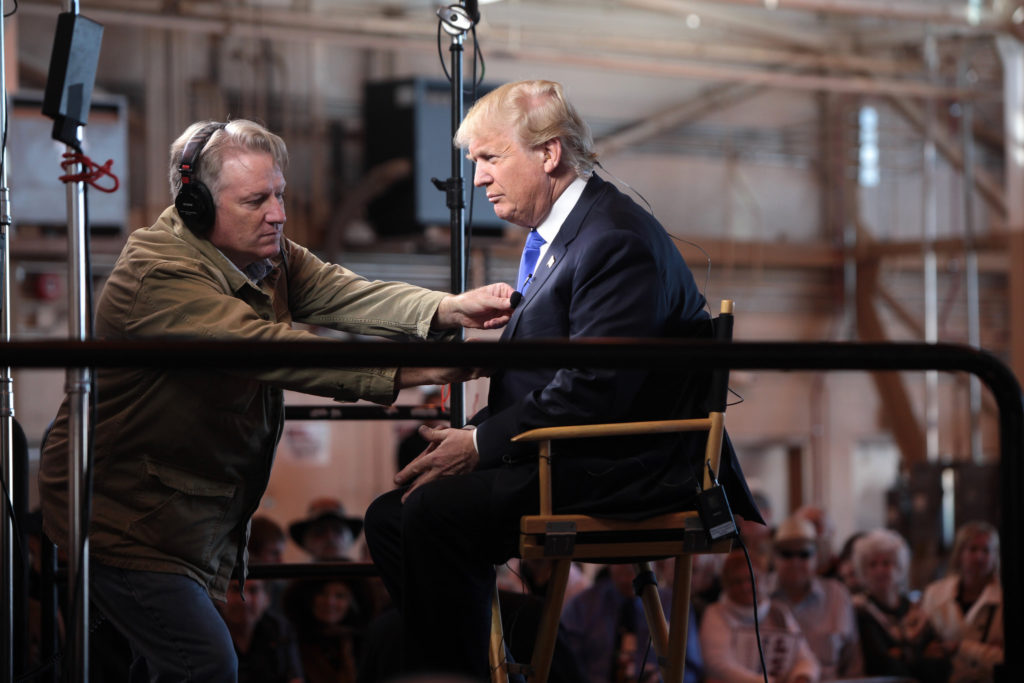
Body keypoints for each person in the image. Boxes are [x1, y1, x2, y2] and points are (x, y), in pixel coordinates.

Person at [37, 118, 515, 680]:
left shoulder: (266, 255)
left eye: (280, 194)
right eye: (256, 200)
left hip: (183, 522)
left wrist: (447, 308)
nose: (278, 213)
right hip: (125, 520)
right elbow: (277, 350)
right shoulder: (159, 276)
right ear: (196, 206)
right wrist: (427, 366)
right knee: (204, 665)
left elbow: (343, 291)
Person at [363, 79, 762, 679]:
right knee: (389, 517)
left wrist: (477, 445)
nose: (477, 179)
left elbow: (597, 387)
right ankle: (478, 655)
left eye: (490, 158)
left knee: (432, 515)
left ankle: (462, 666)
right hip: (570, 451)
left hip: (619, 465)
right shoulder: (568, 234)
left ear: (548, 154)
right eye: (475, 163)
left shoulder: (614, 239)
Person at [562, 562, 703, 683]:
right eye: (622, 557)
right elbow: (567, 665)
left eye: (641, 557)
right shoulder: (582, 605)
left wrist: (662, 678)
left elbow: (691, 667)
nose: (631, 565)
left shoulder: (675, 605)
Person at [700, 549, 819, 683]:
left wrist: (802, 676)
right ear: (726, 585)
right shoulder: (716, 612)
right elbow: (719, 664)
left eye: (752, 579)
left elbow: (805, 657)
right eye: (737, 582)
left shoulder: (778, 612)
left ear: (764, 579)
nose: (745, 586)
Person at [770, 515, 863, 681]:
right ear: (774, 557)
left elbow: (853, 661)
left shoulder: (837, 594)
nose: (795, 561)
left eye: (804, 554)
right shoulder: (757, 593)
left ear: (816, 557)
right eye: (787, 554)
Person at [850, 528, 947, 680]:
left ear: (899, 567)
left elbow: (940, 662)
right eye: (873, 564)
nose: (880, 570)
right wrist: (920, 655)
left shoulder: (916, 608)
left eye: (886, 563)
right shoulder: (860, 609)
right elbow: (880, 664)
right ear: (863, 571)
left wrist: (901, 654)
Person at [920, 520, 1004, 683]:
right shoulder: (935, 593)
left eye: (986, 551)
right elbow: (926, 647)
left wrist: (961, 647)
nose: (979, 557)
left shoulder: (1003, 596)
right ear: (959, 553)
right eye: (973, 549)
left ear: (995, 556)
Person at [216, 579, 304, 683]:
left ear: (267, 599)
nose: (244, 600)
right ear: (219, 596)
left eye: (253, 590)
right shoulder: (207, 633)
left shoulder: (280, 630)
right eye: (236, 590)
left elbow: (295, 678)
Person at [282, 578, 365, 683]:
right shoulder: (292, 639)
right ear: (309, 597)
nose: (330, 602)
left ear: (351, 603)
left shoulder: (361, 641)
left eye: (340, 596)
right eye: (322, 593)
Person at [289, 497, 364, 561]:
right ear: (307, 541)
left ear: (349, 537)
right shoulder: (298, 577)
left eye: (338, 530)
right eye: (320, 531)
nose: (330, 537)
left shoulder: (366, 575)